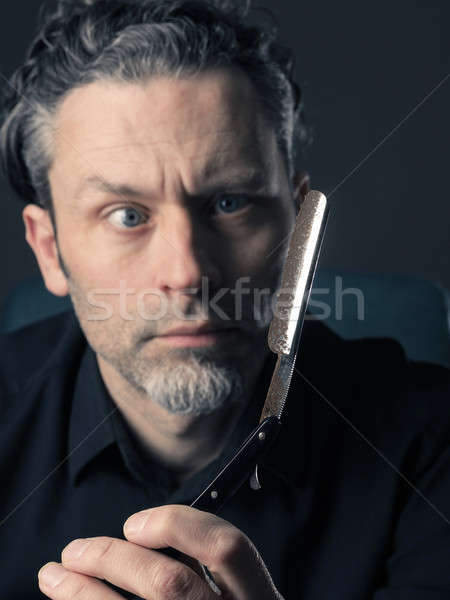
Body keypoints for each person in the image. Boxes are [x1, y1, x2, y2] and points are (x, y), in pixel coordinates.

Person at [0, 1, 449, 598]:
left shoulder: (431, 444)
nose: (188, 274)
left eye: (230, 202)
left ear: (296, 223)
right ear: (50, 249)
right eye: (127, 215)